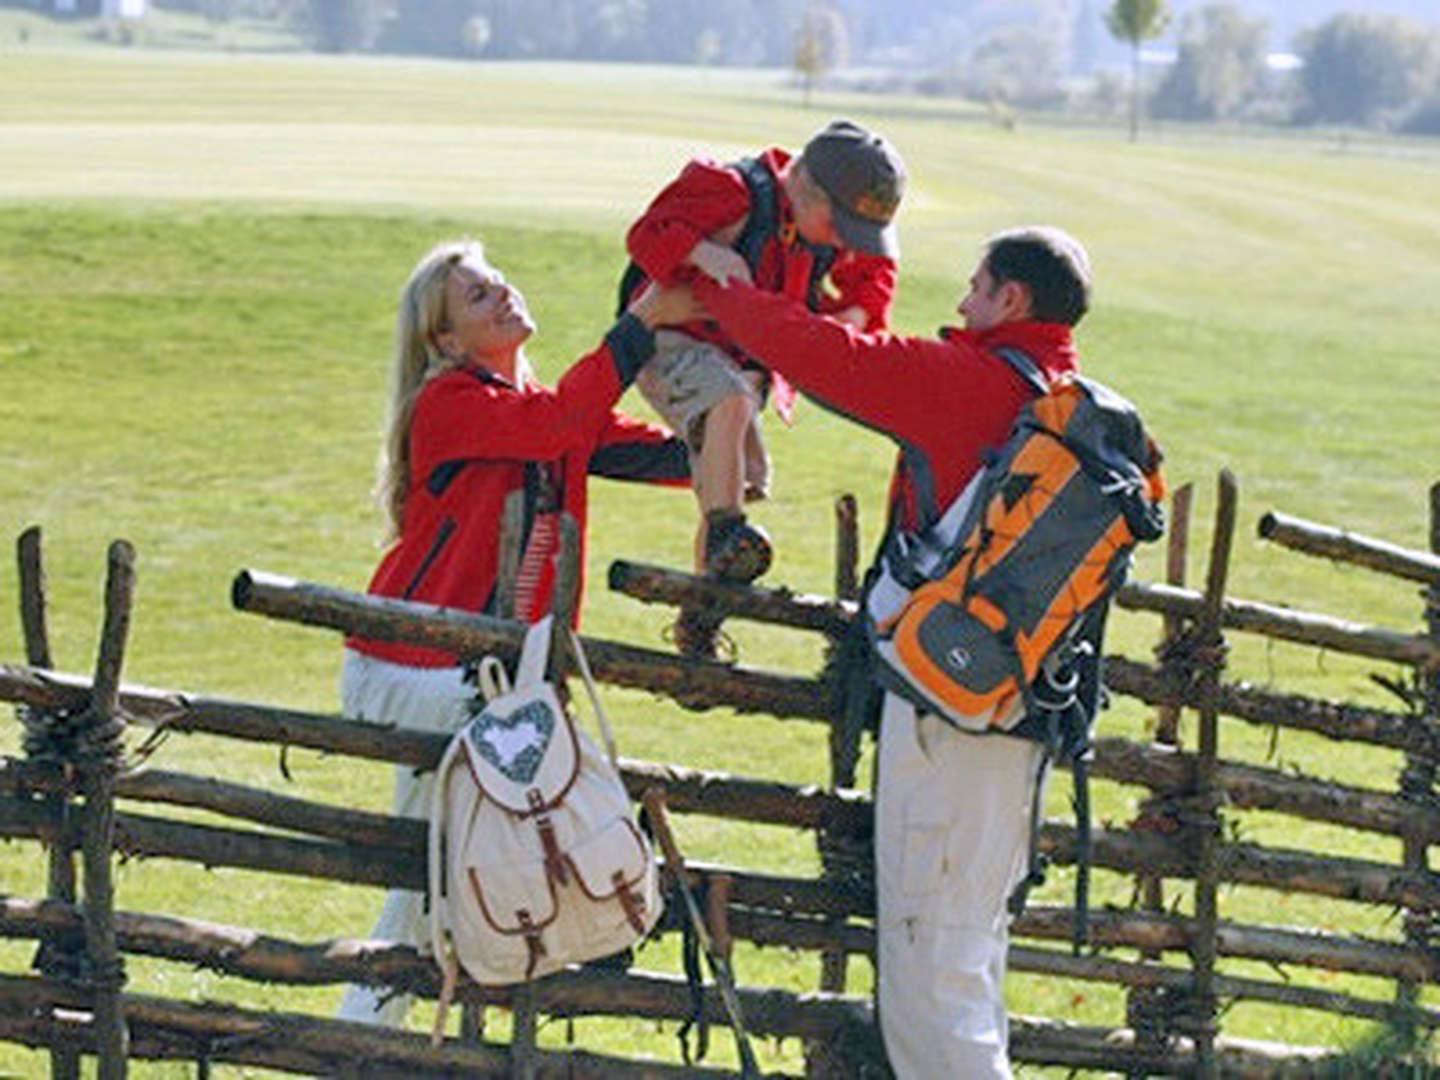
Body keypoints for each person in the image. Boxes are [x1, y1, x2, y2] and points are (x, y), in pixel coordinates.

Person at [684, 226, 1095, 1077]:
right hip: (1022, 717)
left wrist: (720, 286)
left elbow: (824, 354)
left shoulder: (975, 383)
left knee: (929, 982)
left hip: (947, 714)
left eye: (977, 289)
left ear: (1011, 301)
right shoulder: (1075, 404)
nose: (961, 305)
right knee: (969, 960)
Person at [337, 238, 696, 1027]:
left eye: (500, 284)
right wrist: (640, 323)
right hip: (415, 669)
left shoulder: (537, 405)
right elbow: (564, 420)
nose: (503, 297)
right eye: (478, 298)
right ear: (446, 343)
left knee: (441, 874)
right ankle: (373, 1034)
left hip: (477, 679)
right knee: (454, 863)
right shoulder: (452, 402)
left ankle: (373, 1037)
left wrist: (730, 402)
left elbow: (671, 458)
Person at [622, 119, 906, 657]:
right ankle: (728, 532)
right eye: (841, 225)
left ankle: (701, 617)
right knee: (725, 409)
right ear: (804, 186)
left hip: (740, 354)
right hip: (672, 339)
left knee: (730, 477)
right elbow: (646, 233)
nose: (847, 241)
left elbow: (876, 272)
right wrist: (702, 253)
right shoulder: (731, 191)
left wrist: (858, 311)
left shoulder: (827, 226)